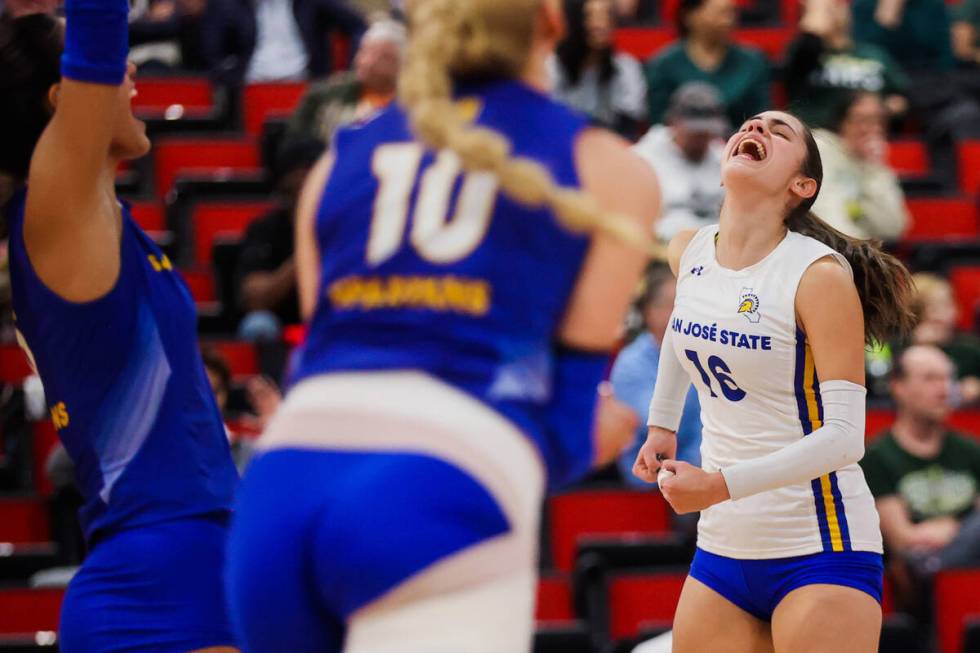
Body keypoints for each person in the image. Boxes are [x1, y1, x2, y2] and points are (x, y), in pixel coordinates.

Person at [224, 1, 659, 651]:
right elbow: (565, 431)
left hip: (284, 479)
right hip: (444, 481)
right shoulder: (607, 166)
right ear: (550, 23)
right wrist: (611, 431)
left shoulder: (336, 162)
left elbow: (325, 356)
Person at [0, 9, 239, 653]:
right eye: (108, 69)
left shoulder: (99, 219)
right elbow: (102, 26)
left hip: (185, 557)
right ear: (66, 99)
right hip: (164, 575)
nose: (130, 70)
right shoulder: (60, 210)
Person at [633, 110, 915, 652]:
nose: (755, 129)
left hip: (819, 544)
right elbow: (683, 327)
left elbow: (844, 437)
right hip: (723, 547)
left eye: (778, 131)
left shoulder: (819, 276)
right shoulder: (688, 249)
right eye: (749, 124)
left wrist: (717, 486)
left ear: (801, 186)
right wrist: (661, 423)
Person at [860, 346, 980, 585]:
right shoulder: (877, 457)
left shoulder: (970, 450)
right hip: (917, 587)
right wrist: (965, 527)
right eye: (930, 379)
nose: (945, 390)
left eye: (948, 378)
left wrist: (950, 528)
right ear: (898, 387)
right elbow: (903, 539)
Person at [852, 0, 980, 188]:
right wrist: (886, 20)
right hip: (882, 82)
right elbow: (863, 54)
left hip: (930, 84)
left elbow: (945, 59)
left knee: (966, 112)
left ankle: (952, 189)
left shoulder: (932, 6)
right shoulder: (863, 6)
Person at [614, 265, 701, 488]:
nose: (677, 312)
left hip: (703, 469)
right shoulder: (630, 363)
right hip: (648, 478)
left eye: (683, 303)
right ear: (647, 311)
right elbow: (654, 420)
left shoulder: (703, 351)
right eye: (669, 304)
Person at [236, 140, 323, 341]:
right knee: (258, 324)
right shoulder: (267, 229)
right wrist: (304, 254)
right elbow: (255, 299)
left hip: (331, 320)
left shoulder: (343, 224)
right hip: (279, 327)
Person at [281, 17, 405, 153]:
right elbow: (292, 152)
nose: (366, 62)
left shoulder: (415, 105)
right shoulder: (323, 96)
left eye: (381, 57)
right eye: (364, 51)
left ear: (402, 63)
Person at [783, 0, 908, 130]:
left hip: (868, 134)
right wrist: (815, 23)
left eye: (838, 5)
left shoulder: (874, 54)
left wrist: (881, 108)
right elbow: (794, 69)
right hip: (819, 135)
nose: (835, 12)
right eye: (828, 9)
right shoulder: (804, 54)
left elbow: (901, 98)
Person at [643, 0, 769, 128]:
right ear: (690, 16)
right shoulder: (664, 64)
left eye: (732, 13)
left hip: (740, 143)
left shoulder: (752, 62)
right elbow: (659, 123)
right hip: (678, 145)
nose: (728, 20)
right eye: (720, 13)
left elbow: (761, 117)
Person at [633, 82, 727, 242]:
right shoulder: (643, 157)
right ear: (673, 122)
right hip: (660, 249)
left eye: (706, 131)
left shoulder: (723, 156)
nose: (700, 138)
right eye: (694, 131)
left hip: (715, 246)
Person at [810, 92, 909, 241]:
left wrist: (874, 170)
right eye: (861, 119)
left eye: (878, 121)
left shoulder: (872, 162)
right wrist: (864, 252)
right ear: (841, 121)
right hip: (825, 248)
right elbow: (826, 219)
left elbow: (894, 227)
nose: (871, 129)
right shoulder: (821, 148)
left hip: (855, 250)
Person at [199, 0, 366, 85]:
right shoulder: (227, 4)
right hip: (249, 88)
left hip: (306, 85)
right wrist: (230, 74)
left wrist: (350, 73)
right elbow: (212, 53)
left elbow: (359, 26)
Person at [548, 0, 647, 137]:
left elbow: (629, 122)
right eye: (590, 16)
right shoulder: (552, 67)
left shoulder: (626, 68)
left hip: (610, 146)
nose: (600, 24)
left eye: (606, 16)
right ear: (574, 20)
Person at [909, 272, 980, 405]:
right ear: (916, 312)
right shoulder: (901, 347)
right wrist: (919, 346)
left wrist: (976, 386)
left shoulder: (970, 349)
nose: (942, 314)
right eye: (933, 307)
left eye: (948, 304)